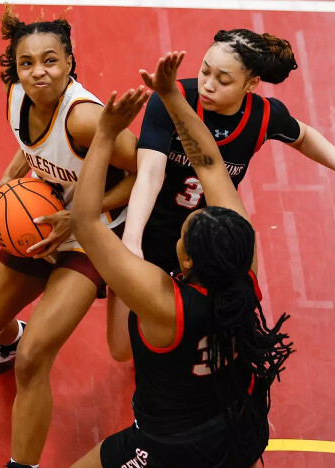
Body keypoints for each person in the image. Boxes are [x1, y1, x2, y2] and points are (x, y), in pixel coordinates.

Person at [70, 51, 294, 468]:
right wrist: (173, 98)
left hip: (173, 448)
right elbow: (210, 165)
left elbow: (85, 222)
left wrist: (104, 136)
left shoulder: (163, 302)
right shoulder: (245, 271)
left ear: (185, 262)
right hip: (241, 426)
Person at [106, 29, 335, 361]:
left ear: (249, 85)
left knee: (205, 335)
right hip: (151, 228)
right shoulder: (173, 97)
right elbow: (150, 174)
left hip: (211, 241)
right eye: (205, 70)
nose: (208, 83)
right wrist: (132, 240)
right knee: (122, 350)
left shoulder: (263, 115)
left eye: (223, 80)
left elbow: (303, 135)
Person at [0, 6, 138, 467]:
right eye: (27, 62)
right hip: (42, 219)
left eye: (50, 61)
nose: (39, 72)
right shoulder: (15, 95)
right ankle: (8, 341)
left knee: (35, 360)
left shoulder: (85, 120)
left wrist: (80, 218)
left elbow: (146, 173)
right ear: (15, 69)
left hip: (94, 235)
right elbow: (29, 145)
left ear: (70, 62)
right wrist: (8, 181)